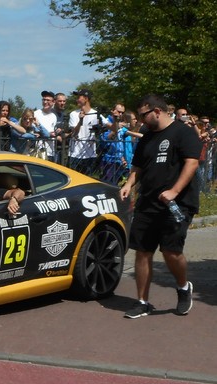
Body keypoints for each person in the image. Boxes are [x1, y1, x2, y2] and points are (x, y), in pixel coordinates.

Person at [120, 94, 202, 319]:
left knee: (171, 251)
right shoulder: (146, 137)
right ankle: (142, 301)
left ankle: (183, 287)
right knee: (143, 251)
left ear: (157, 111)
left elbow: (192, 162)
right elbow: (137, 166)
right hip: (148, 201)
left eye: (143, 115)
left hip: (178, 203)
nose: (141, 120)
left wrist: (174, 191)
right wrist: (128, 184)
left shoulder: (183, 132)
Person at [68, 89, 109, 175]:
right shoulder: (73, 114)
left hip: (90, 154)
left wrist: (116, 120)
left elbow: (110, 126)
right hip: (74, 154)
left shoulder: (95, 114)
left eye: (79, 97)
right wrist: (80, 120)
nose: (77, 100)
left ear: (86, 98)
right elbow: (74, 133)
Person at [34, 91, 59, 161]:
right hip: (38, 151)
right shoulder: (36, 114)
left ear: (53, 102)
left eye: (48, 100)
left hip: (50, 151)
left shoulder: (54, 116)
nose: (45, 102)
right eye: (44, 100)